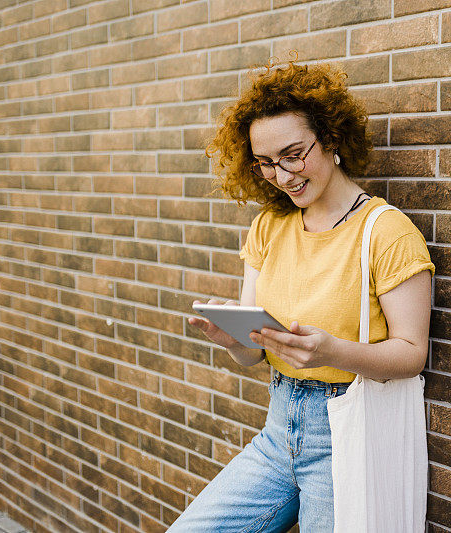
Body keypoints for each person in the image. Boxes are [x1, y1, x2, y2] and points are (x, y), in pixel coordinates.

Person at [166, 61, 435, 532]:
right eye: (266, 163)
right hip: (278, 431)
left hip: (345, 437)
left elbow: (412, 353)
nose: (283, 175)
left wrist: (333, 352)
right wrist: (232, 338)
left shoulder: (386, 232)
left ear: (331, 140)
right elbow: (254, 355)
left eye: (293, 154)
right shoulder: (269, 227)